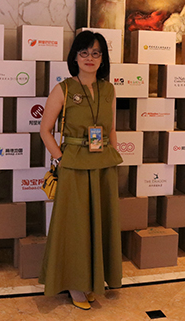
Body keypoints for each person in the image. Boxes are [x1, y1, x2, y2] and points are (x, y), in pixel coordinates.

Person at [39, 30, 123, 310]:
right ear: (74, 57)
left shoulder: (109, 90)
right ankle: (75, 285)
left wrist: (112, 157)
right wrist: (61, 159)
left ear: (103, 58)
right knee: (75, 227)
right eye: (84, 52)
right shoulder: (63, 89)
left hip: (103, 166)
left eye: (96, 53)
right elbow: (45, 130)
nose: (90, 58)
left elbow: (111, 129)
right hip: (74, 166)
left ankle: (92, 282)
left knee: (99, 223)